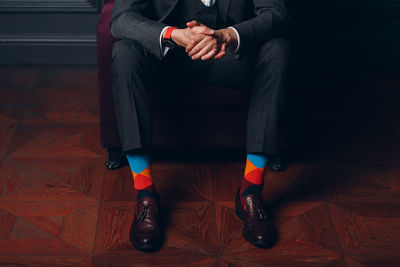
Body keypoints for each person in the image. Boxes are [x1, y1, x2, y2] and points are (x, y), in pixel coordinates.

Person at [109, 0, 290, 252]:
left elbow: (277, 15)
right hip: (167, 58)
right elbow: (121, 18)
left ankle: (250, 190)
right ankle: (145, 195)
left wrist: (227, 34)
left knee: (277, 49)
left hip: (228, 56)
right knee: (124, 52)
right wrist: (173, 34)